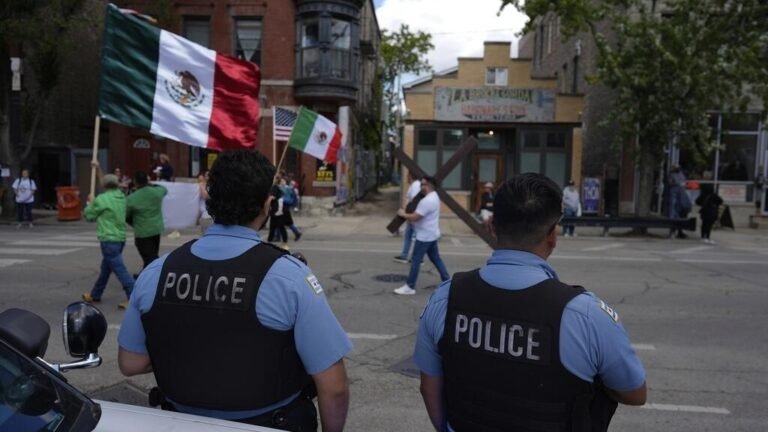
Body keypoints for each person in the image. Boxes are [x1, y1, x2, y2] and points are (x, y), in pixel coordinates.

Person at [117, 150, 351, 431]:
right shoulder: (288, 277)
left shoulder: (156, 272)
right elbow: (334, 386)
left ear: (212, 201)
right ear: (267, 205)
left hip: (180, 421)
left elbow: (130, 363)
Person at [414, 173, 647, 431]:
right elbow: (634, 393)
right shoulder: (586, 315)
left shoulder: (445, 298)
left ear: (491, 225)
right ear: (552, 236)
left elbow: (428, 387)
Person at [82, 161, 134, 310]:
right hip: (120, 238)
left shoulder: (102, 199)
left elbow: (89, 216)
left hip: (108, 239)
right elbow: (105, 183)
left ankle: (133, 296)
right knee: (106, 268)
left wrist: (89, 203)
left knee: (120, 270)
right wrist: (98, 169)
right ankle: (96, 293)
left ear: (104, 186)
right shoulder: (121, 197)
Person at [394, 176, 450, 295]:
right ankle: (448, 281)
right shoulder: (434, 196)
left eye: (424, 185)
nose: (421, 187)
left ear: (430, 186)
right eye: (421, 184)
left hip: (424, 237)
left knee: (415, 261)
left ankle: (410, 286)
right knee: (436, 258)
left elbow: (415, 217)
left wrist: (403, 214)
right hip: (432, 234)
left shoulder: (427, 201)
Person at [126, 171, 167, 273]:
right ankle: (144, 274)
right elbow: (164, 189)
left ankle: (154, 277)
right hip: (156, 229)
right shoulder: (157, 192)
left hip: (142, 231)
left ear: (135, 182)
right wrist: (151, 184)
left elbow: (126, 215)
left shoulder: (132, 198)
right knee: (152, 254)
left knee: (149, 257)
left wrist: (133, 223)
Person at [394, 173, 422, 264]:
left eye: (407, 176)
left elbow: (414, 201)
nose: (406, 177)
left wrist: (409, 216)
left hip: (412, 215)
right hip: (410, 215)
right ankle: (404, 255)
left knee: (415, 237)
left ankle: (418, 258)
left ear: (411, 176)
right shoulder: (415, 185)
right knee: (408, 236)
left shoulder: (415, 185)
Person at [668, 165, 690, 239]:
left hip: (682, 196)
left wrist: (683, 185)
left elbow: (685, 184)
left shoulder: (681, 174)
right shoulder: (672, 175)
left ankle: (680, 231)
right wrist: (677, 184)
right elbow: (670, 183)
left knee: (682, 212)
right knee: (673, 213)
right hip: (675, 195)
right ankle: (672, 231)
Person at [279, 176, 303, 241]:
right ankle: (296, 233)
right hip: (283, 206)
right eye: (281, 181)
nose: (281, 182)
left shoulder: (286, 189)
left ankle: (278, 236)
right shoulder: (284, 188)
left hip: (285, 206)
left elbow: (289, 197)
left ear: (286, 182)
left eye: (283, 181)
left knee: (282, 222)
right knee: (287, 222)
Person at [268, 184, 289, 249]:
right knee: (272, 228)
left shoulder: (280, 199)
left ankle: (285, 242)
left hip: (280, 216)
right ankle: (269, 241)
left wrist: (274, 214)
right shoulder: (274, 199)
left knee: (281, 228)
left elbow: (280, 209)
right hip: (274, 215)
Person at [197, 171, 213, 235]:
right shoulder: (200, 186)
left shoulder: (212, 186)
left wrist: (201, 186)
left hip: (209, 216)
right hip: (203, 216)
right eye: (207, 175)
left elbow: (205, 196)